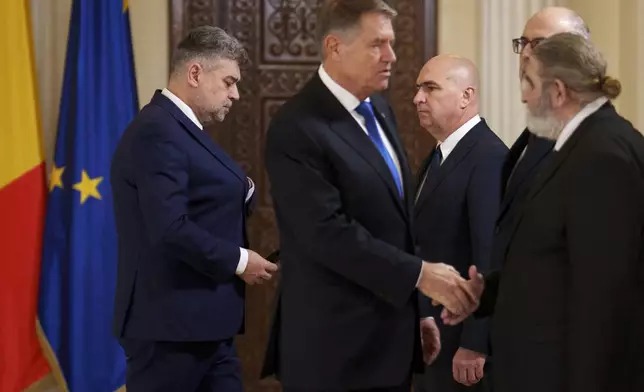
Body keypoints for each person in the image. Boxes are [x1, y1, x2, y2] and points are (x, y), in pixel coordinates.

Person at [260, 1, 479, 391]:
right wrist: (419, 275)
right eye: (377, 44)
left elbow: (395, 222)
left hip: (389, 345)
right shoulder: (296, 127)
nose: (391, 56)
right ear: (334, 47)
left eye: (391, 43)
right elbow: (326, 233)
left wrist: (417, 314)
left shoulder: (379, 109)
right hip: (332, 352)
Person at [443, 32, 644, 392]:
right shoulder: (577, 146)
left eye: (529, 83)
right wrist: (484, 293)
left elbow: (604, 298)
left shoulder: (602, 155)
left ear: (558, 91)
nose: (522, 96)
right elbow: (553, 260)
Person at [110, 26, 278, 392]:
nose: (235, 94)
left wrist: (243, 190)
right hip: (170, 330)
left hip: (203, 327)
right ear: (195, 73)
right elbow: (169, 227)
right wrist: (239, 260)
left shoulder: (181, 129)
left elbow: (202, 199)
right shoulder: (158, 129)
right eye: (229, 81)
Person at [412, 55, 507, 392]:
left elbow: (490, 254)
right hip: (431, 335)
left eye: (430, 88)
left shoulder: (488, 156)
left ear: (466, 96)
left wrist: (476, 341)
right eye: (418, 89)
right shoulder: (438, 155)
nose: (418, 98)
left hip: (460, 343)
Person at [490, 7, 591, 278]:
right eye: (522, 43)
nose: (525, 53)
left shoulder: (594, 143)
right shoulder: (530, 139)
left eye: (538, 44)